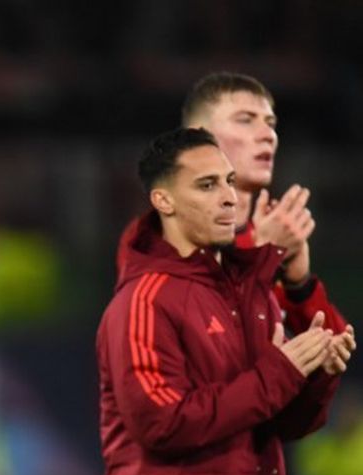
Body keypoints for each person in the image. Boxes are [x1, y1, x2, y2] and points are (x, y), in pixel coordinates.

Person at [96, 127, 355, 475]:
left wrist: (315, 374)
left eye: (229, 181)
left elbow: (278, 424)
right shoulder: (144, 300)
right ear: (163, 201)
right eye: (207, 185)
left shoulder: (249, 295)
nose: (229, 198)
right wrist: (280, 372)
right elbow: (161, 425)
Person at [116, 72, 347, 337]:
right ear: (200, 138)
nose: (268, 135)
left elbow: (328, 363)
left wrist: (299, 282)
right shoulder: (153, 237)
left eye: (270, 123)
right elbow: (211, 349)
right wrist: (260, 261)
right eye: (246, 120)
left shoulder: (271, 231)